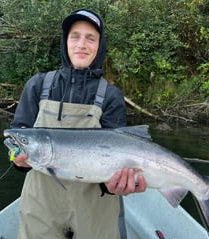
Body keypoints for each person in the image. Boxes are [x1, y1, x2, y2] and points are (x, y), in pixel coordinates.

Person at [10, 9, 147, 239]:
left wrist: (114, 186)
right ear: (66, 42)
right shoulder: (37, 85)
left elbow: (111, 170)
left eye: (90, 38)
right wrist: (17, 159)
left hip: (94, 208)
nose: (82, 44)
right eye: (75, 36)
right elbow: (16, 143)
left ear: (99, 45)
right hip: (40, 206)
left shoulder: (112, 97)